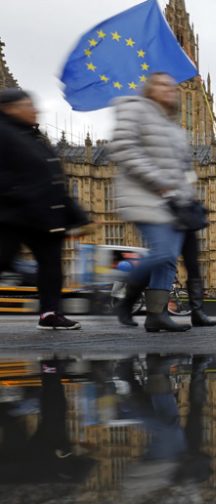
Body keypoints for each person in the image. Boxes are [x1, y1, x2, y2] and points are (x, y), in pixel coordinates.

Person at [108, 73, 194, 333]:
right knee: (164, 253)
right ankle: (125, 297)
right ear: (148, 89)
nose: (168, 89)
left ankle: (156, 315)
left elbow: (182, 168)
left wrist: (188, 197)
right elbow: (123, 148)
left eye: (171, 85)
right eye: (160, 84)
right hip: (144, 197)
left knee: (168, 261)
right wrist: (159, 181)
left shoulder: (172, 125)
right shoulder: (134, 109)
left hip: (172, 204)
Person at [0, 88, 88, 330]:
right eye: (28, 106)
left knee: (51, 266)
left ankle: (50, 313)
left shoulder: (35, 137)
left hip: (43, 214)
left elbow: (55, 180)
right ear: (11, 109)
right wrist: (17, 195)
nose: (34, 110)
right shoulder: (5, 133)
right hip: (13, 214)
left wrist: (78, 217)